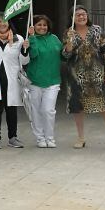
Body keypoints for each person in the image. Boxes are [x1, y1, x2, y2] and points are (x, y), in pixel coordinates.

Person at [62, 6, 105, 151]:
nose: (81, 17)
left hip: (97, 75)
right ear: (72, 18)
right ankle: (81, 138)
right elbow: (65, 56)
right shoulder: (68, 33)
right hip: (76, 76)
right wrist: (69, 44)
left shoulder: (97, 30)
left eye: (83, 14)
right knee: (78, 108)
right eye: (77, 15)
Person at [0, 12, 28, 148]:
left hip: (12, 80)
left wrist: (25, 49)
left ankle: (13, 137)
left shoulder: (19, 39)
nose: (2, 24)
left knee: (11, 109)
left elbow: (24, 60)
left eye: (4, 21)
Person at [23, 15, 63, 148]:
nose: (42, 27)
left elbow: (64, 56)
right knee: (35, 110)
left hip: (52, 81)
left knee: (48, 110)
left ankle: (50, 137)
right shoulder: (30, 40)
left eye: (44, 25)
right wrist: (32, 39)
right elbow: (33, 55)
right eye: (39, 24)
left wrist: (69, 45)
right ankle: (40, 137)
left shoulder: (55, 39)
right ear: (33, 26)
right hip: (34, 81)